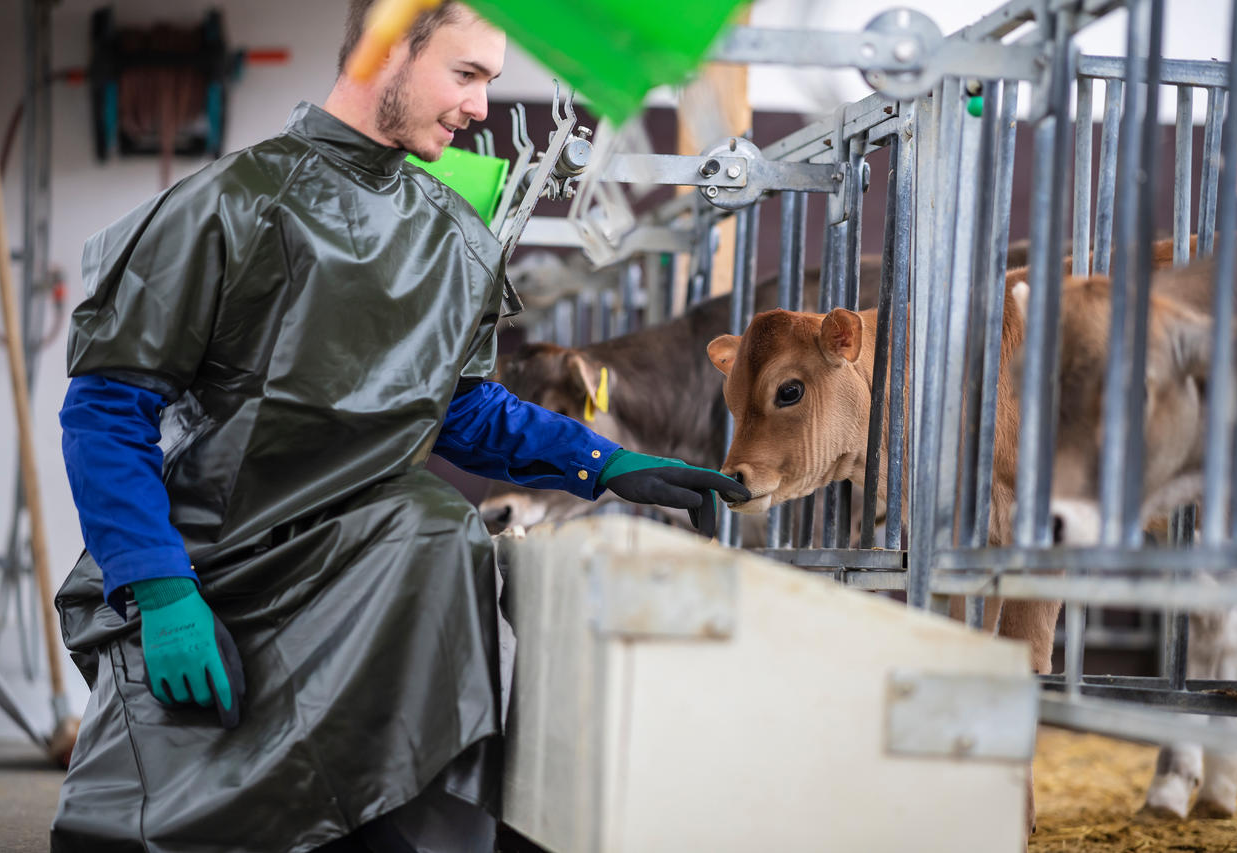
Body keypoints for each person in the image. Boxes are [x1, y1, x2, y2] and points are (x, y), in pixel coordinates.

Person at [49, 2, 748, 851]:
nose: (483, 107)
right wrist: (160, 588)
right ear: (386, 49)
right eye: (467, 75)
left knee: (435, 523)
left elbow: (461, 405)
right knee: (141, 828)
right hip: (217, 561)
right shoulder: (226, 206)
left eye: (490, 80)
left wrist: (605, 463)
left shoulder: (454, 238)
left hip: (359, 560)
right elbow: (106, 409)